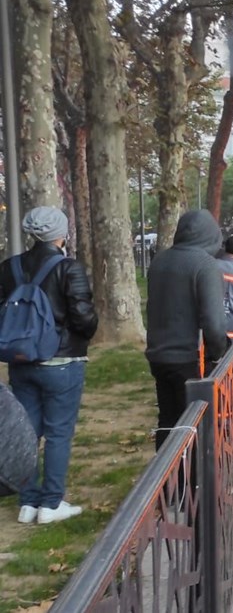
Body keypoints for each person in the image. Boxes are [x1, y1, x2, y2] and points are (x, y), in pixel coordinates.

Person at [1, 207, 98, 524]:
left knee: (27, 431)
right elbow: (83, 317)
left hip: (21, 360)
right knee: (58, 432)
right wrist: (85, 333)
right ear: (61, 233)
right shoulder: (69, 268)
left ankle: (28, 501)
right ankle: (51, 503)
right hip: (62, 361)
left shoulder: (10, 267)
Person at [145, 210, 230, 450]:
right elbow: (214, 323)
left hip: (158, 356)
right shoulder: (205, 265)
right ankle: (190, 473)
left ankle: (165, 471)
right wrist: (218, 352)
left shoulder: (160, 260)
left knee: (168, 421)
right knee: (192, 427)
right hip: (189, 359)